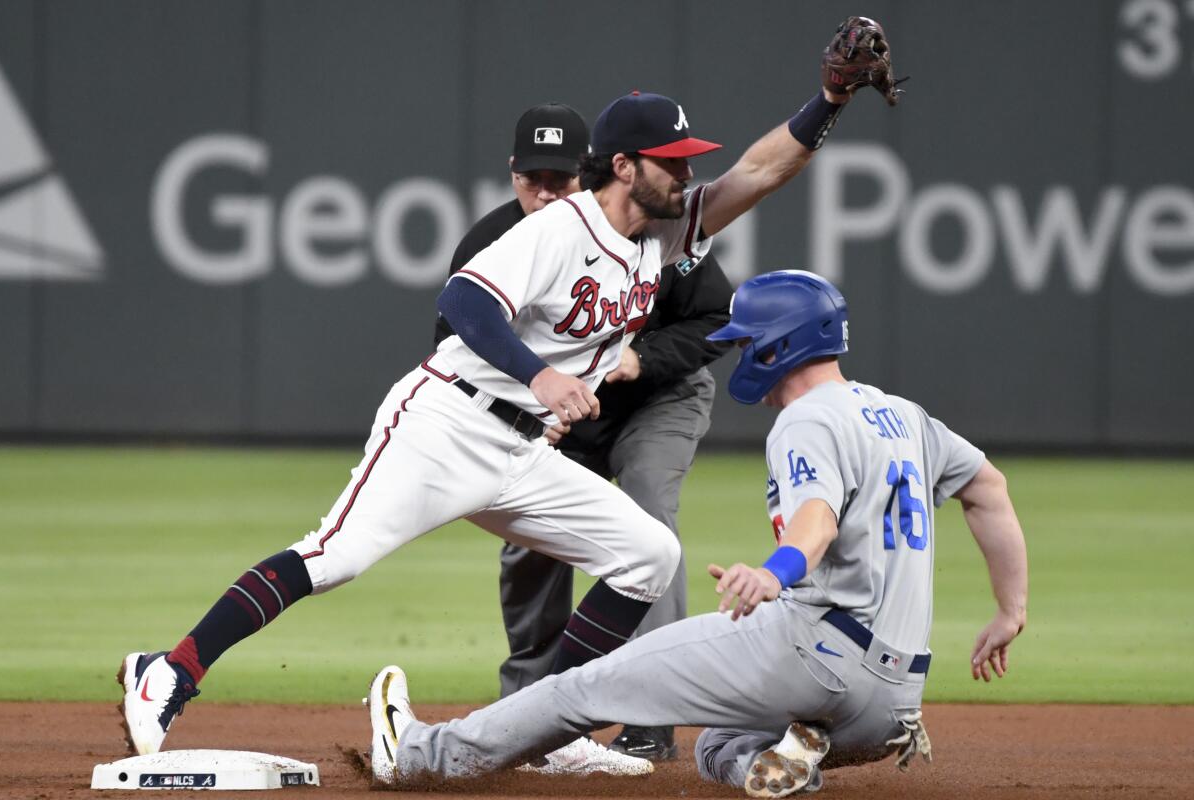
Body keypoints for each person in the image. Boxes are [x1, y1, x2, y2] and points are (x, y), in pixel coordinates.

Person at [118, 17, 869, 764]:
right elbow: (466, 303)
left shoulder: (664, 233)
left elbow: (762, 170)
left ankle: (544, 730)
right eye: (671, 160)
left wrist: (829, 98)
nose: (686, 172)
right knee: (333, 557)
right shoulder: (558, 229)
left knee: (648, 555)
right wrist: (543, 375)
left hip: (524, 449)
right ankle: (170, 671)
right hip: (446, 424)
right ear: (625, 165)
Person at [365, 269, 1029, 798]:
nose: (740, 353)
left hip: (816, 654)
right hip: (894, 705)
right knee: (720, 745)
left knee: (582, 687)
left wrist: (775, 573)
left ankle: (423, 757)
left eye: (747, 342)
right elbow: (990, 489)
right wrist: (1010, 609)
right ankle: (780, 762)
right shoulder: (904, 415)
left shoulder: (807, 420)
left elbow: (817, 522)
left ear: (779, 346)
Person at [434, 103, 733, 762]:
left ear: (594, 176)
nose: (545, 192)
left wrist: (643, 358)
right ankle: (530, 711)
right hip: (555, 413)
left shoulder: (648, 230)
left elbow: (718, 316)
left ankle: (651, 710)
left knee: (648, 517)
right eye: (531, 177)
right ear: (512, 175)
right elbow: (456, 350)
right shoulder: (495, 245)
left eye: (560, 178)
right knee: (529, 540)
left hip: (655, 398)